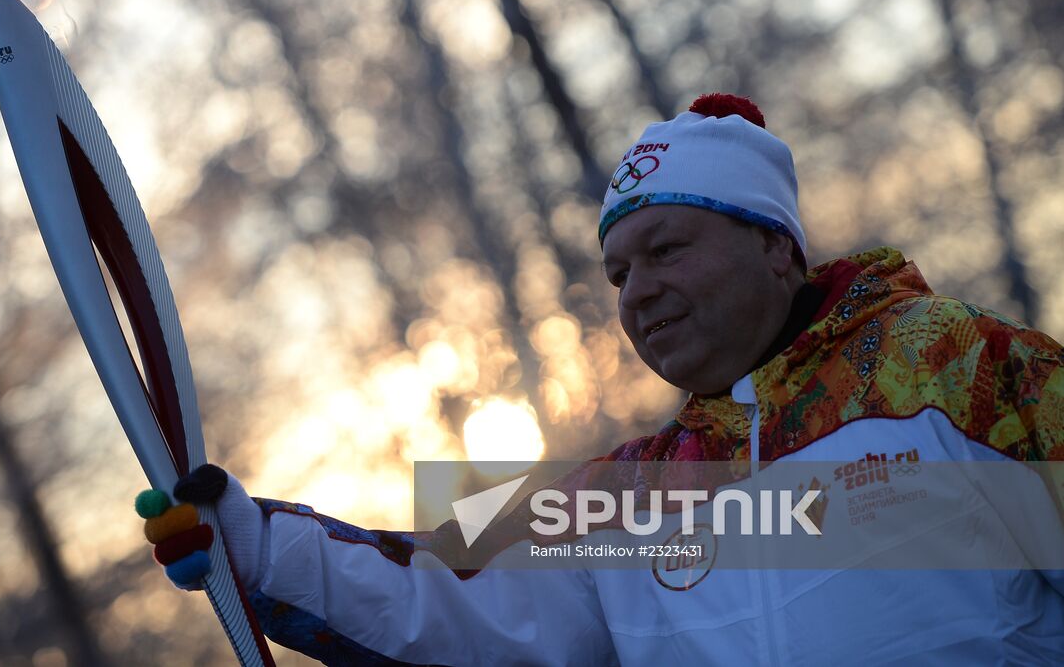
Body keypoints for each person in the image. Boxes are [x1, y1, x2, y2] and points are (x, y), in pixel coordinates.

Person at [137, 94, 1064, 665]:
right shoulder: (629, 495)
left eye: (666, 248)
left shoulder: (965, 371)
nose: (639, 291)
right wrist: (257, 548)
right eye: (619, 273)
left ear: (776, 247)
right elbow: (449, 595)